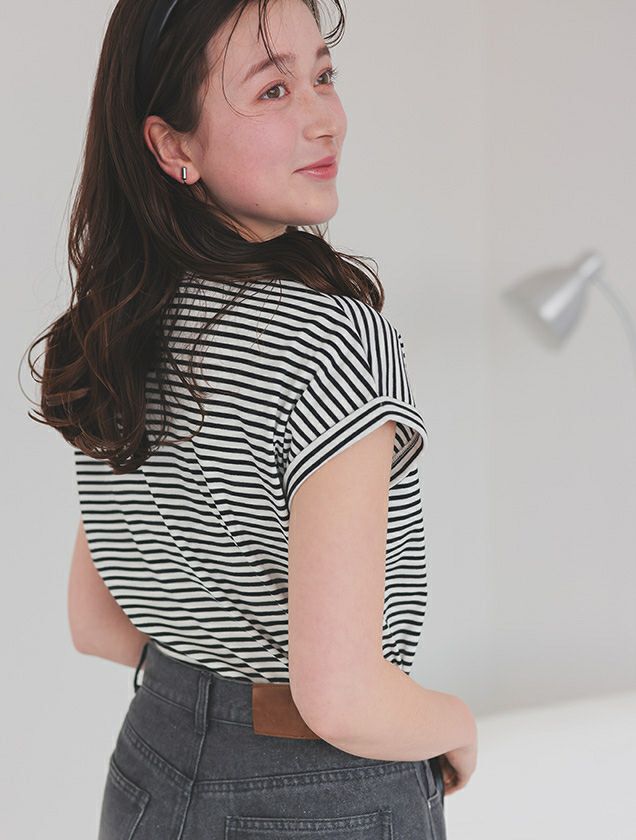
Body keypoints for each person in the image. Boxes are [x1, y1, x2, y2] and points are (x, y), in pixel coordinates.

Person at [29, 0, 477, 836]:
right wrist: (455, 726)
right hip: (319, 791)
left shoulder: (117, 329)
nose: (326, 118)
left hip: (150, 765)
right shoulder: (336, 341)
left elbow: (96, 622)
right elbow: (341, 697)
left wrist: (206, 700)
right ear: (173, 146)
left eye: (323, 76)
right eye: (273, 90)